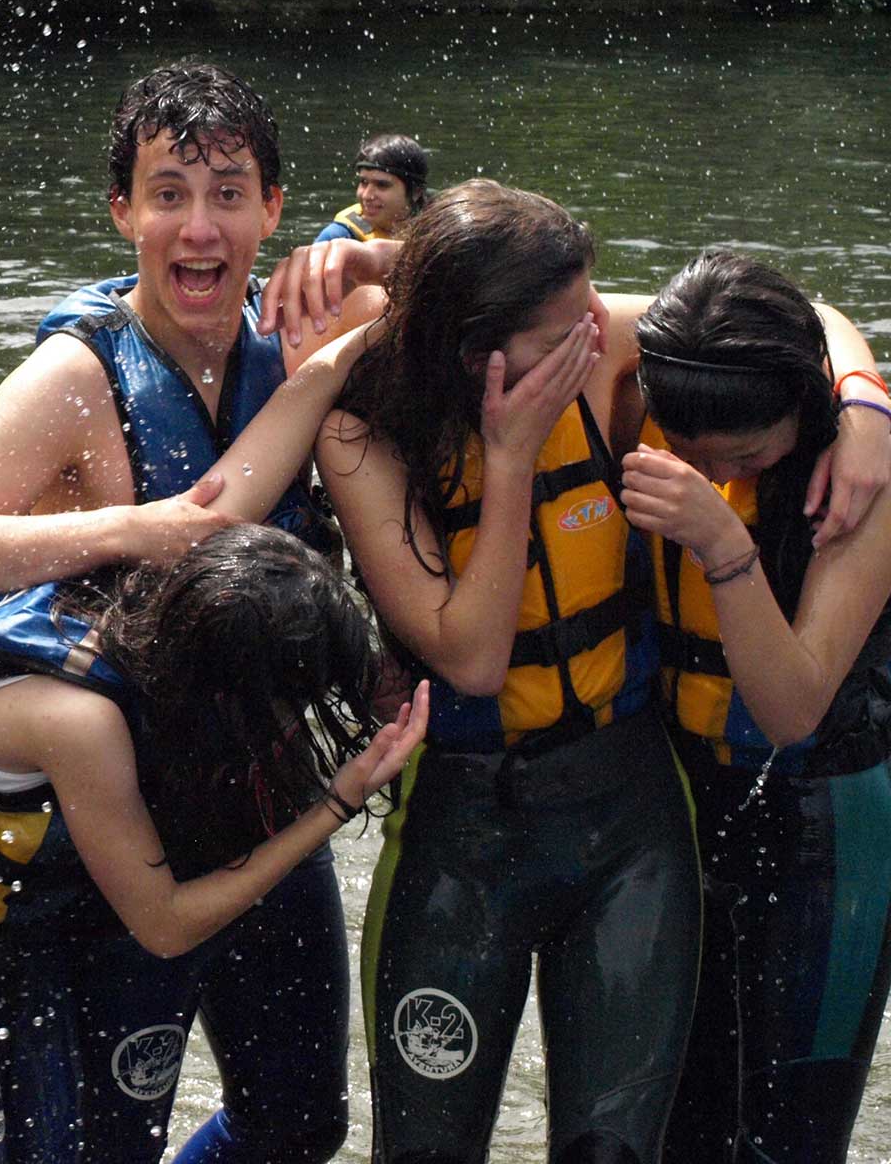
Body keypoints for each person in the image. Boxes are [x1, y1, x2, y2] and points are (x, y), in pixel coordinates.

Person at [0, 61, 384, 1164]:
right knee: (103, 1143)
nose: (200, 228)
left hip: (266, 787)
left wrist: (382, 258)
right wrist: (125, 528)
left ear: (275, 210)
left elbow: (542, 289)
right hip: (116, 823)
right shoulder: (77, 371)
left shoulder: (305, 333)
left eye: (230, 193)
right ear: (122, 212)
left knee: (300, 1126)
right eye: (168, 193)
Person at [316, 182, 886, 1163]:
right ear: (474, 348)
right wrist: (507, 455)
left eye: (593, 310)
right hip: (522, 811)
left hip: (706, 816)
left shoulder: (618, 364)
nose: (597, 327)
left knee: (710, 1145)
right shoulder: (380, 432)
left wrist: (865, 399)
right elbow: (473, 658)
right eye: (568, 322)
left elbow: (799, 313)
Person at [0, 522, 428, 1163]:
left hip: (23, 939)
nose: (281, 728)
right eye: (278, 705)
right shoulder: (78, 721)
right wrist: (336, 803)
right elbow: (165, 925)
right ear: (229, 685)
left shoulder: (158, 626)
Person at [617, 250, 891, 1164]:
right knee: (677, 1132)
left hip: (828, 826)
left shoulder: (866, 483)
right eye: (693, 456)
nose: (721, 475)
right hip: (688, 808)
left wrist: (722, 545)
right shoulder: (666, 376)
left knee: (788, 1142)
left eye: (749, 456)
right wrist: (377, 255)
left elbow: (795, 709)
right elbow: (544, 301)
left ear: (805, 407)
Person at [314, 132, 428, 244]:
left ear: (416, 192)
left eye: (382, 185)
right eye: (363, 182)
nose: (366, 196)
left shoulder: (435, 232)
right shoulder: (338, 237)